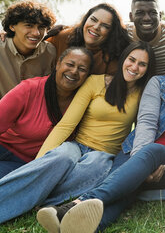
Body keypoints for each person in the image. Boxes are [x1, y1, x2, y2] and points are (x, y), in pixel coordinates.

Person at [36, 45, 165, 233]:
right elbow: (146, 122)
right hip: (139, 151)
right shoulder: (159, 84)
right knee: (126, 186)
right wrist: (142, 165)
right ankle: (87, 227)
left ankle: (76, 204)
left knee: (151, 154)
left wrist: (145, 162)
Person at [0, 41, 155, 224]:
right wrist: (39, 163)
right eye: (132, 60)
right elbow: (65, 125)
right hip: (76, 145)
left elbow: (144, 128)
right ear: (123, 59)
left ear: (147, 69)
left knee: (94, 165)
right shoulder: (95, 82)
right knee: (62, 156)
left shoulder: (144, 93)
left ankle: (44, 203)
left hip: (103, 154)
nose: (134, 67)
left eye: (142, 64)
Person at [0, 47, 93, 178]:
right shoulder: (29, 89)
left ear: (88, 76)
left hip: (27, 164)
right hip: (4, 148)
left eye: (82, 69)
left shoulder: (84, 104)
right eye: (70, 64)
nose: (74, 71)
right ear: (58, 64)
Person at [46, 3, 131, 75]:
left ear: (112, 32)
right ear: (86, 19)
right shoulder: (64, 37)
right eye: (93, 20)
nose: (96, 27)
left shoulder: (112, 58)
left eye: (105, 26)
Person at [0, 0, 57, 97]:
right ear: (12, 26)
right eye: (29, 25)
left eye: (41, 27)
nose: (36, 33)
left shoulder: (50, 52)